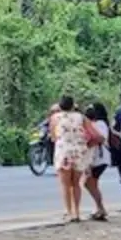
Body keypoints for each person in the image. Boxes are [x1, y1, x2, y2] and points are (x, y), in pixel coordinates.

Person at [50, 95, 95, 223]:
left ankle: (69, 212)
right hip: (79, 151)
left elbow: (53, 136)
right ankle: (77, 213)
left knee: (65, 185)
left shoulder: (55, 118)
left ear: (60, 106)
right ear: (73, 105)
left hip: (63, 151)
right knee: (76, 184)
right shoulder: (81, 117)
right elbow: (91, 132)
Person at [83, 103, 111, 221]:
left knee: (89, 183)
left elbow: (100, 138)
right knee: (91, 183)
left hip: (98, 158)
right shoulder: (94, 124)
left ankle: (100, 208)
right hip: (95, 158)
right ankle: (99, 208)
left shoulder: (100, 124)